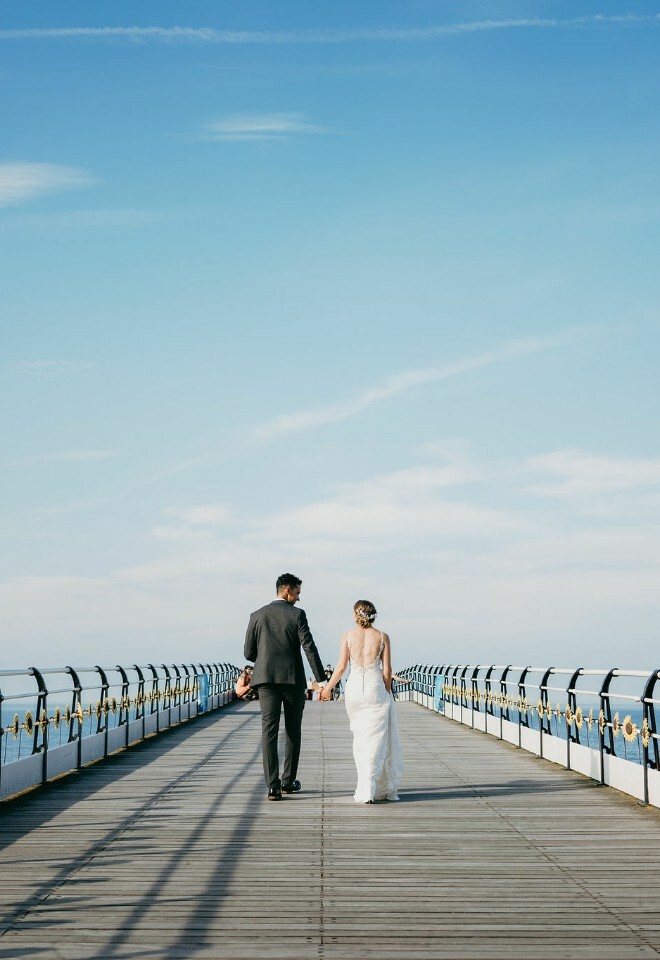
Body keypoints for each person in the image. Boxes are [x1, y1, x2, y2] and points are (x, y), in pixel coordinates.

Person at [244, 573, 327, 801]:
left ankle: (273, 787)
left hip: (266, 679)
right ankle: (288, 781)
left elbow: (248, 653)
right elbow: (309, 647)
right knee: (292, 730)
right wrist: (321, 680)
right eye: (297, 593)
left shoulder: (257, 615)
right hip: (291, 679)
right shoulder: (297, 615)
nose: (299, 598)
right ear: (288, 590)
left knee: (268, 731)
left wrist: (265, 659)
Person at [320, 600, 403, 803]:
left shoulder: (347, 636)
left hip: (355, 689)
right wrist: (388, 691)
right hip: (376, 687)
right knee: (377, 738)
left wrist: (327, 688)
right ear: (374, 615)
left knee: (360, 736)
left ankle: (364, 786)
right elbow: (387, 671)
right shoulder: (383, 637)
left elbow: (340, 667)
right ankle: (370, 784)